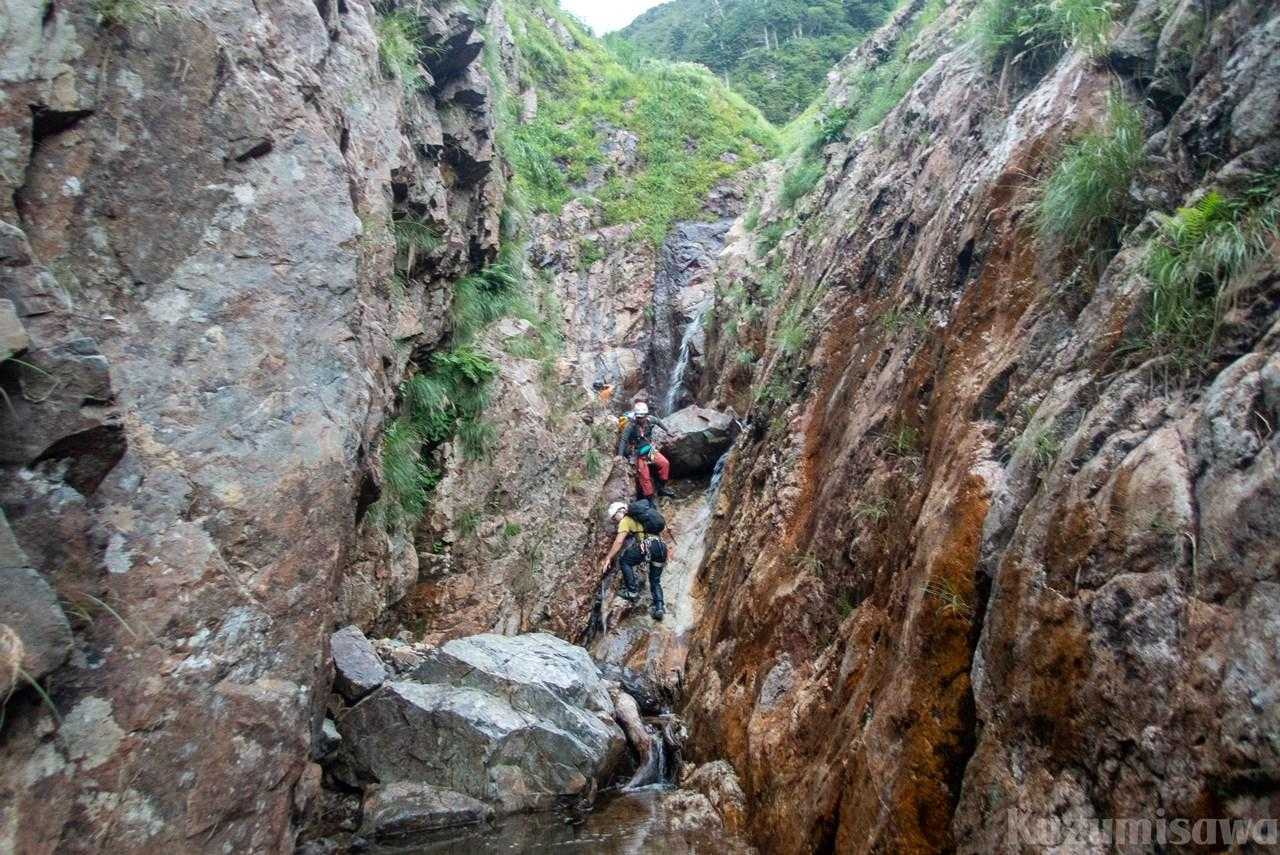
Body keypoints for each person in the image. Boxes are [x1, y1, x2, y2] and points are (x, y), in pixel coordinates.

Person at [601, 501, 668, 620]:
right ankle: (659, 607)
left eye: (614, 518)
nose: (615, 521)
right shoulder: (642, 517)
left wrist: (608, 558)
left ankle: (632, 591)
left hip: (648, 546)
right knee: (655, 580)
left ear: (619, 512)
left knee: (625, 561)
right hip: (661, 547)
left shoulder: (625, 520)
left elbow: (619, 541)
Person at [616, 401, 675, 499]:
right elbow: (623, 439)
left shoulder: (650, 420)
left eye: (642, 417)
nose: (640, 419)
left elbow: (658, 421)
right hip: (637, 453)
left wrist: (667, 431)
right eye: (638, 417)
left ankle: (661, 488)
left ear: (646, 415)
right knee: (645, 476)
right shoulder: (631, 426)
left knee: (664, 463)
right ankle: (649, 498)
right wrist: (620, 455)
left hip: (648, 449)